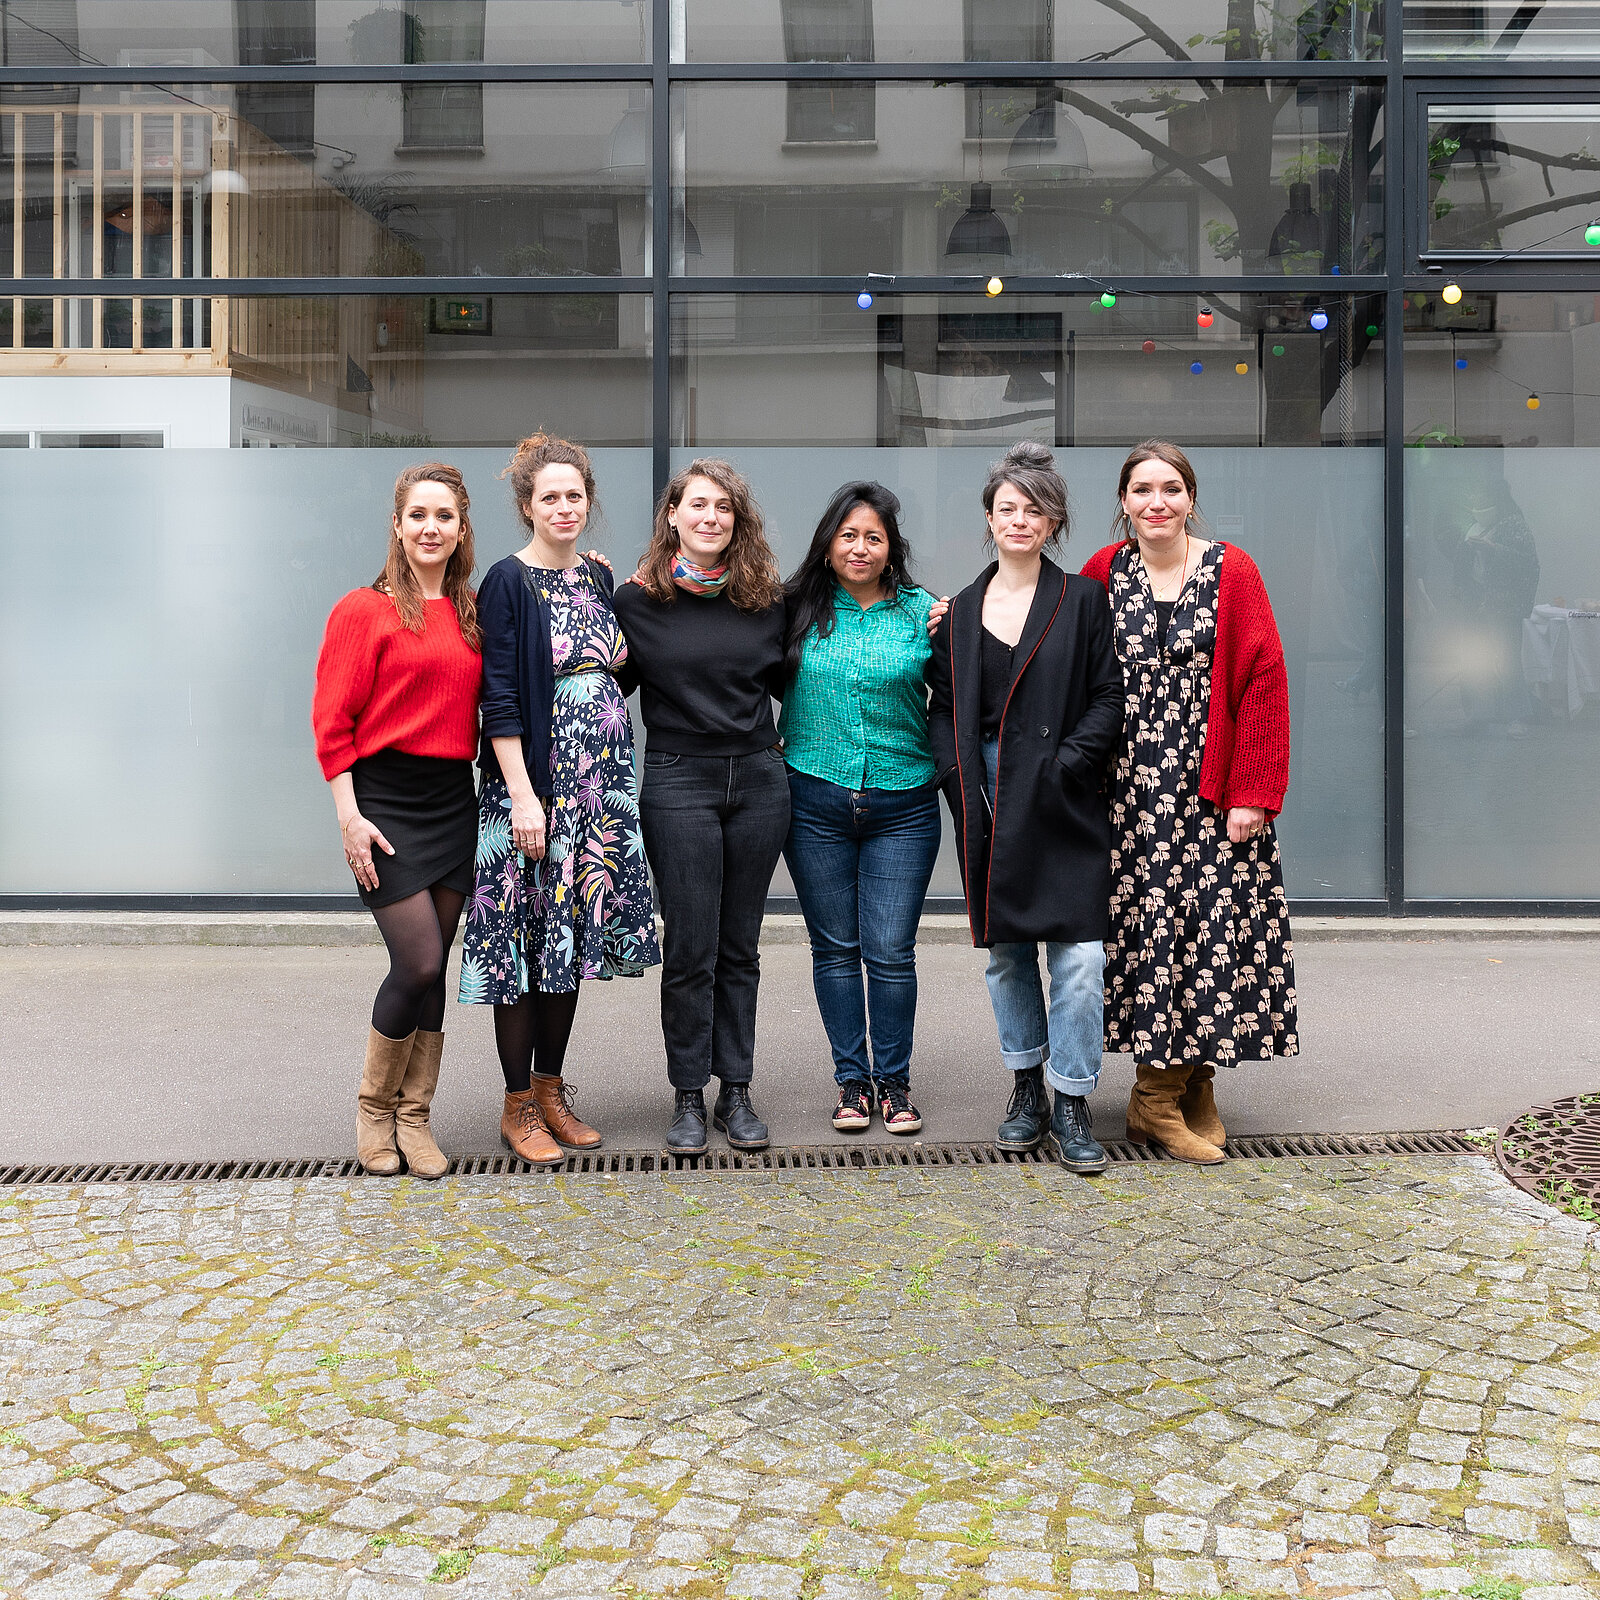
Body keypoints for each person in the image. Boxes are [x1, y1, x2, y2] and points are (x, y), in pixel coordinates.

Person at [1080, 439, 1298, 1164]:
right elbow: (1046, 638)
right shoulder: (1101, 573)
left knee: (1211, 931)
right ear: (1123, 502)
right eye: (1142, 490)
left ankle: (1184, 1084)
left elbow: (1263, 681)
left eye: (1170, 488)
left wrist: (1254, 792)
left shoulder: (1232, 569)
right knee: (1149, 931)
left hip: (1208, 789)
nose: (1156, 502)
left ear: (1190, 497)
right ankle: (1158, 1094)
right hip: (1126, 796)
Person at [459, 434, 660, 1165]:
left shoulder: (599, 580)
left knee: (566, 947)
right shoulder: (508, 583)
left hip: (600, 796)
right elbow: (500, 699)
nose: (565, 506)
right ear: (526, 507)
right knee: (522, 946)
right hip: (536, 795)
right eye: (550, 496)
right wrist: (522, 797)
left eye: (575, 495)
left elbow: (617, 676)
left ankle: (550, 1091)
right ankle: (517, 1105)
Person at [927, 442, 1124, 1174]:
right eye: (1007, 508)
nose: (1019, 519)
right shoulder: (959, 612)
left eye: (1033, 509)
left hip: (1065, 797)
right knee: (1007, 958)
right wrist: (956, 779)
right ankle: (1025, 1090)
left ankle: (1071, 1097)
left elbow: (1110, 698)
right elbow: (942, 709)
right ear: (989, 518)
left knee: (1081, 958)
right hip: (986, 794)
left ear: (1053, 522)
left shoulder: (1082, 602)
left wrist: (1068, 764)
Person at [312, 464, 483, 1179]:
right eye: (418, 515)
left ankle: (417, 1120)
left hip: (453, 800)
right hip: (383, 803)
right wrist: (349, 817)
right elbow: (332, 721)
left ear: (462, 529)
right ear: (397, 525)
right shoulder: (363, 610)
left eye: (444, 516)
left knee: (435, 967)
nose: (430, 528)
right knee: (416, 961)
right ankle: (374, 1108)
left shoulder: (473, 613)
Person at [614, 459, 788, 1156]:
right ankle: (687, 1092)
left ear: (738, 522)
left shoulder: (766, 600)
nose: (711, 517)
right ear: (673, 516)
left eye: (725, 508)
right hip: (678, 781)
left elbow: (806, 671)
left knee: (740, 946)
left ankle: (735, 1090)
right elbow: (601, 681)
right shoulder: (634, 601)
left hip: (758, 780)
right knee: (690, 948)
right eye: (698, 506)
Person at [779, 482, 941, 1136]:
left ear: (890, 547)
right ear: (827, 545)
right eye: (848, 535)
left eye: (873, 536)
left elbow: (961, 692)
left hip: (903, 802)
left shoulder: (924, 612)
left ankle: (894, 1083)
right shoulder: (791, 609)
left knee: (891, 951)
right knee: (836, 948)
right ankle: (852, 1082)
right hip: (812, 798)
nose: (860, 547)